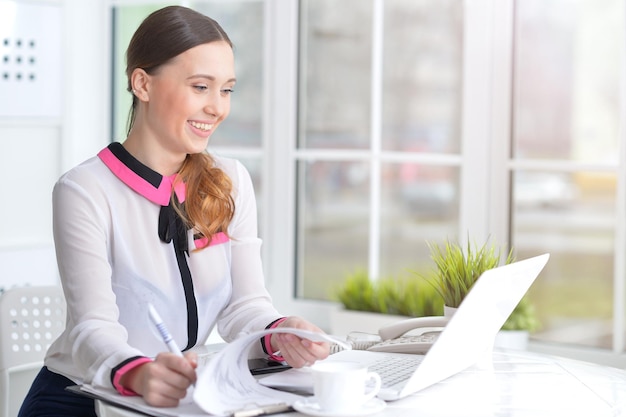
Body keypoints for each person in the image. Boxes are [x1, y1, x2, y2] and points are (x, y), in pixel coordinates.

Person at [18, 6, 329, 417]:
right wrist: (139, 373)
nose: (217, 107)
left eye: (227, 90)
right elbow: (92, 327)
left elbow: (245, 306)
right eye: (201, 87)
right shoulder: (84, 191)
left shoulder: (231, 181)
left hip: (181, 395)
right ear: (142, 84)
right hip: (84, 396)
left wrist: (281, 334)